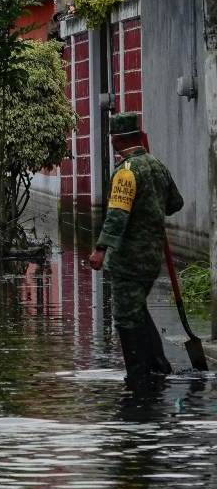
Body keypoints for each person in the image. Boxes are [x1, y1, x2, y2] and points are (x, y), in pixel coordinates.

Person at [88, 112, 183, 390]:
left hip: (128, 259)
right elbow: (175, 203)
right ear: (138, 136)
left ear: (116, 141)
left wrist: (100, 250)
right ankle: (158, 365)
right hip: (152, 257)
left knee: (127, 316)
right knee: (137, 308)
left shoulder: (126, 172)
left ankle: (138, 375)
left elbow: (117, 215)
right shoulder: (157, 165)